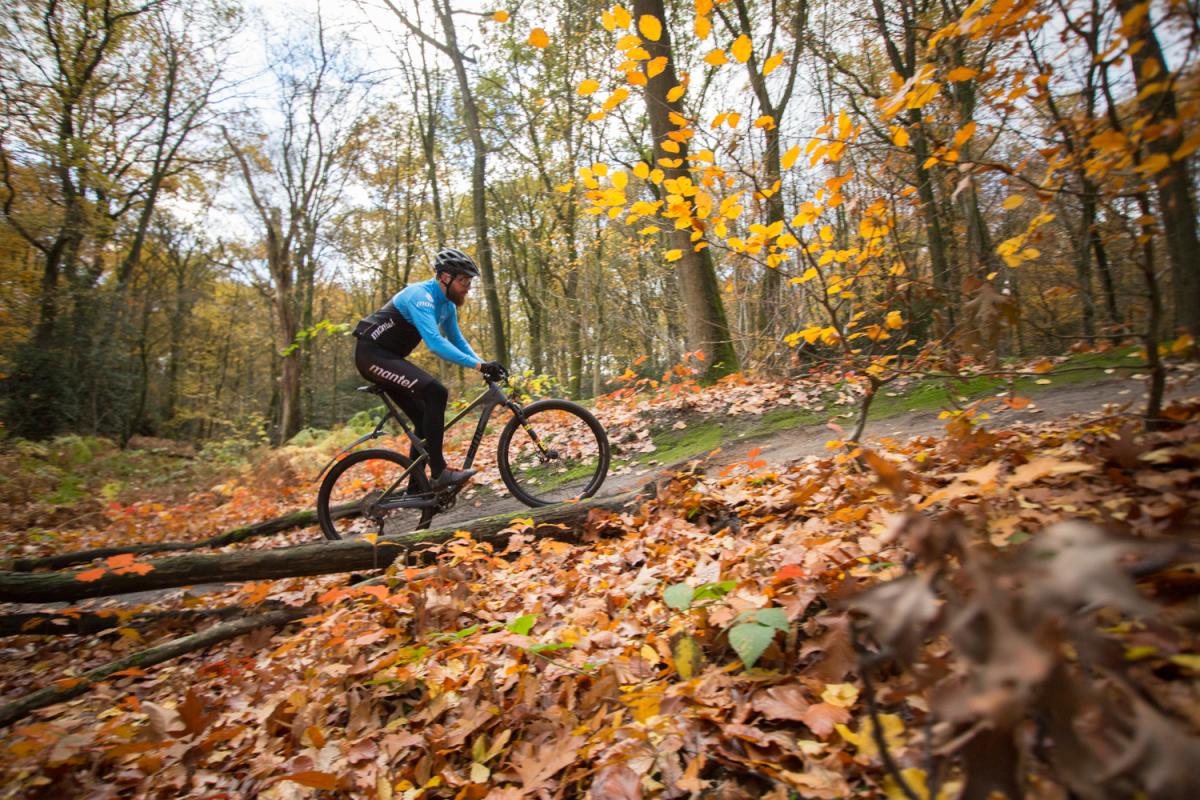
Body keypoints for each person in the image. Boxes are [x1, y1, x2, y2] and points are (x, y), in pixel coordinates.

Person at [352, 248, 506, 490]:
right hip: (372, 355)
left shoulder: (447, 306)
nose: (468, 287)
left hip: (389, 357)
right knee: (436, 392)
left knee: (424, 420)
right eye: (463, 281)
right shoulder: (421, 297)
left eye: (470, 281)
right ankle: (438, 472)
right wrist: (479, 365)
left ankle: (417, 486)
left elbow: (457, 340)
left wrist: (483, 365)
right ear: (445, 277)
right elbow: (434, 343)